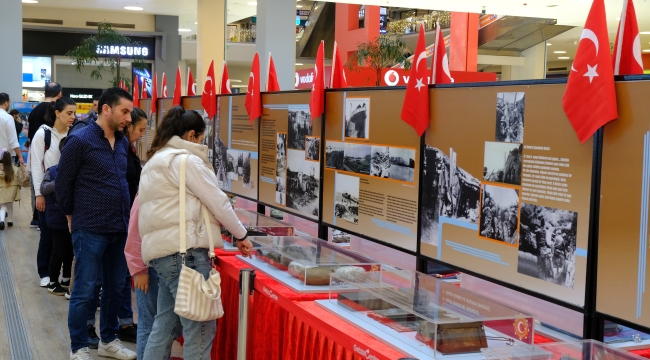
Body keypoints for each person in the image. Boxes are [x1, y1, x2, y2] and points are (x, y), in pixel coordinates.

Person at [139, 107, 252, 359]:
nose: (202, 144)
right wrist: (241, 235)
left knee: (166, 325)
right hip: (185, 255)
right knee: (200, 328)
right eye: (201, 139)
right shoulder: (185, 161)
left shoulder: (155, 160)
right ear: (191, 135)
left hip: (163, 255)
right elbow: (218, 202)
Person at [56, 88, 136, 360]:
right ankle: (78, 347)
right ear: (106, 109)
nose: (129, 117)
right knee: (85, 289)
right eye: (124, 111)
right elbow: (63, 184)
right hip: (89, 226)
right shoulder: (80, 140)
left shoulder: (123, 142)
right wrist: (70, 216)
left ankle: (109, 339)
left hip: (119, 226)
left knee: (116, 286)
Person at [32, 97, 75, 288]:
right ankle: (44, 272)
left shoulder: (75, 133)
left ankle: (64, 275)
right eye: (69, 113)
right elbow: (36, 166)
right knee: (47, 235)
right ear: (57, 113)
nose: (72, 117)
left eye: (74, 113)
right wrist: (38, 195)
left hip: (67, 193)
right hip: (48, 192)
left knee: (65, 237)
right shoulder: (43, 134)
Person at [115, 107, 147, 344]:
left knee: (122, 277)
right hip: (122, 220)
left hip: (128, 218)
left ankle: (125, 321)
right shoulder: (121, 151)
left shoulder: (128, 149)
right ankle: (123, 323)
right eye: (141, 129)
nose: (143, 134)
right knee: (119, 277)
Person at [40, 137, 74, 296]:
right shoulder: (53, 170)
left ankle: (66, 278)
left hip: (73, 218)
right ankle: (53, 281)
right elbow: (43, 188)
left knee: (70, 251)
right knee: (58, 250)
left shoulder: (77, 170)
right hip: (57, 217)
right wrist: (58, 182)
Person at [28, 82, 62, 228]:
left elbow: (30, 137)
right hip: (49, 160)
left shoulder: (34, 111)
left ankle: (37, 217)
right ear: (59, 94)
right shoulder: (53, 113)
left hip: (36, 156)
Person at [0, 148, 22, 229]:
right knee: (10, 205)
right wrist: (19, 186)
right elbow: (19, 179)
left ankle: (1, 221)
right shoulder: (14, 168)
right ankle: (10, 221)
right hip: (11, 190)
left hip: (1, 190)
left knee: (3, 206)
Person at [0, 93, 24, 165]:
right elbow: (13, 141)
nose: (10, 105)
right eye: (9, 102)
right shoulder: (7, 118)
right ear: (6, 103)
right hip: (5, 158)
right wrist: (20, 156)